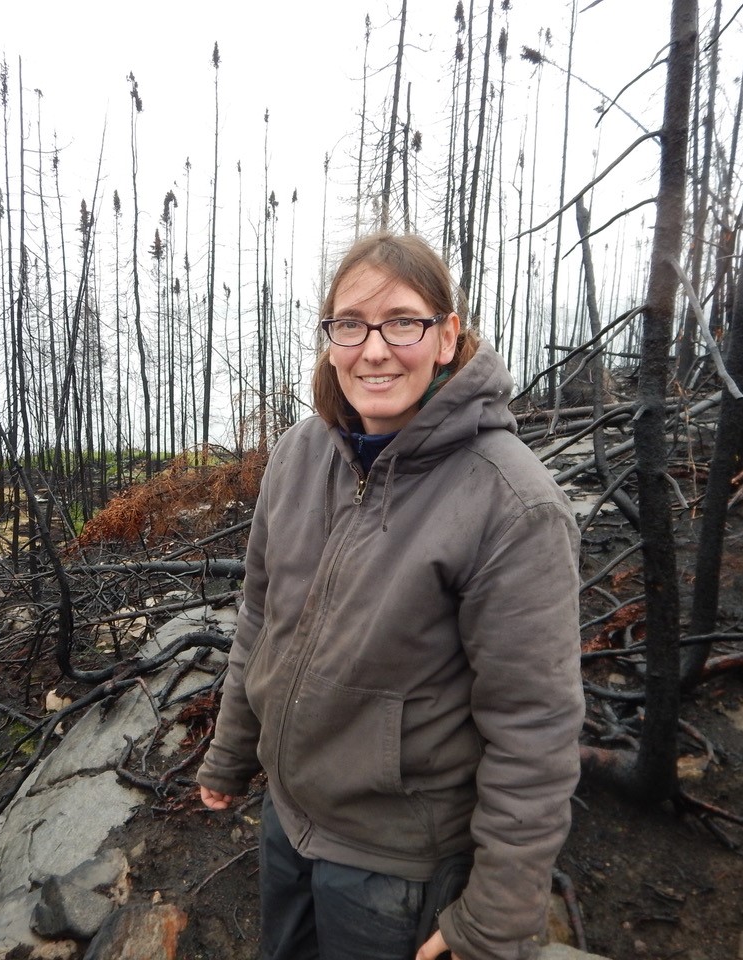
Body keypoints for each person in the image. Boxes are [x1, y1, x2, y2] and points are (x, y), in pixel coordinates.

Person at [198, 232, 584, 960]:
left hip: (396, 864)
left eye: (401, 321)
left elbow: (534, 726)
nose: (373, 349)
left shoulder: (511, 502)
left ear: (447, 337)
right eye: (351, 323)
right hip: (290, 819)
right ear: (331, 337)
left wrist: (497, 919)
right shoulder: (299, 455)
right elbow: (260, 619)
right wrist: (231, 754)